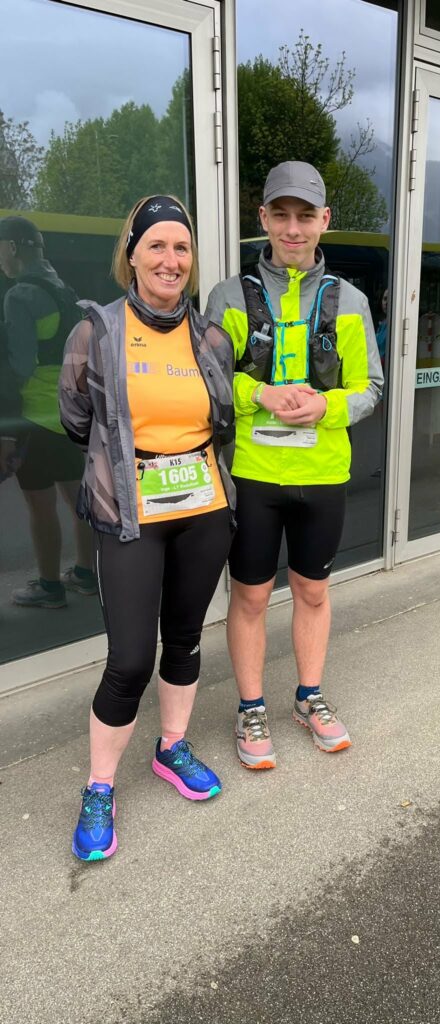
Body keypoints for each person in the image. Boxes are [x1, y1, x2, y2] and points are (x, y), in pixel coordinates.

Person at [59, 195, 235, 860]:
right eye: (156, 245)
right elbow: (76, 418)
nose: (170, 259)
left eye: (181, 247)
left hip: (203, 510)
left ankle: (172, 748)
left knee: (184, 639)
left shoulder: (210, 338)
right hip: (131, 515)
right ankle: (100, 786)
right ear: (130, 254)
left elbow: (223, 420)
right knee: (130, 660)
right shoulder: (96, 332)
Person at [205, 161, 383, 769]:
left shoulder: (351, 301)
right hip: (254, 476)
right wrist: (262, 393)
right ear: (263, 218)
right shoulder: (228, 296)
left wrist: (326, 406)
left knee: (312, 590)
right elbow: (208, 381)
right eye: (280, 214)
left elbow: (370, 387)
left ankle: (309, 697)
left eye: (305, 216)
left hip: (323, 476)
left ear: (324, 220)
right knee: (250, 597)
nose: (292, 228)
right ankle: (250, 708)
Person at [0, 216, 96, 607]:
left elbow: (21, 365)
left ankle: (49, 586)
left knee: (40, 507)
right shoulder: (63, 290)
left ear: (11, 247)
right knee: (78, 500)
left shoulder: (20, 295)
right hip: (69, 413)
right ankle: (86, 573)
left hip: (35, 418)